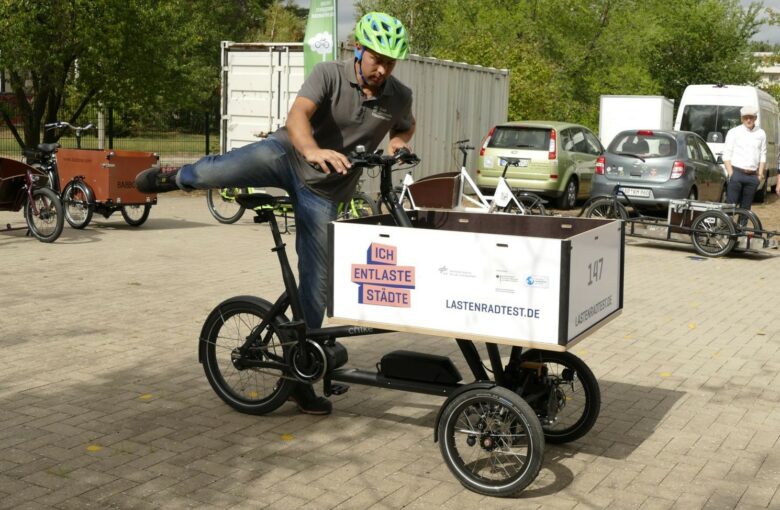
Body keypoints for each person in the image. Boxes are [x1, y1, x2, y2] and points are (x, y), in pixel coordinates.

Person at [135, 12, 415, 415]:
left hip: (323, 191)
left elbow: (404, 127)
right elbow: (298, 116)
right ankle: (177, 177)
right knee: (221, 170)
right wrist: (312, 150)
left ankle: (299, 372)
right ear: (359, 49)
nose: (383, 68)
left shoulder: (398, 95)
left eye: (390, 61)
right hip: (286, 154)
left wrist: (396, 148)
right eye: (376, 58)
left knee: (315, 287)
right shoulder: (330, 74)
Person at [722, 105, 766, 210]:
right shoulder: (734, 132)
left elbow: (763, 155)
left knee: (746, 208)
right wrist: (731, 174)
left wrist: (759, 175)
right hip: (736, 173)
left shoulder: (761, 133)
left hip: (752, 176)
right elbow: (726, 154)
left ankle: (742, 226)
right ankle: (727, 226)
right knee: (730, 206)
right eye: (746, 117)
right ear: (741, 119)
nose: (749, 120)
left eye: (751, 117)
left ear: (755, 118)